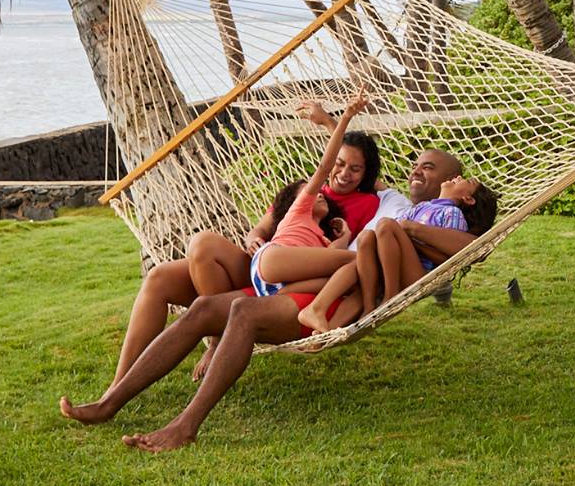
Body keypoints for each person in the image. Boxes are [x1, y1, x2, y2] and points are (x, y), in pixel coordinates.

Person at [57, 138, 483, 453]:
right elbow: (336, 168)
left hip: (338, 287)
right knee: (205, 306)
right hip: (303, 270)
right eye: (416, 164)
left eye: (428, 168)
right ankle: (109, 403)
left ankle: (185, 426)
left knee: (243, 311)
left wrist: (406, 228)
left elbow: (468, 243)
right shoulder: (401, 204)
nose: (416, 170)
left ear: (453, 183)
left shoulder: (407, 208)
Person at [100, 113, 385, 384]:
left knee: (340, 260)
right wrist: (252, 239)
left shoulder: (366, 202)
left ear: (365, 174)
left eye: (355, 169)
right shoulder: (303, 191)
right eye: (339, 164)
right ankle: (120, 381)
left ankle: (215, 335)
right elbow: (262, 228)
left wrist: (331, 122)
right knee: (168, 270)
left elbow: (343, 245)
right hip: (265, 263)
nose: (344, 173)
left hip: (298, 276)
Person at [295, 176, 498, 334]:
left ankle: (390, 297)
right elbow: (395, 233)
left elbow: (447, 260)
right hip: (389, 267)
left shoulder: (453, 214)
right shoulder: (422, 207)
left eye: (467, 181)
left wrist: (413, 242)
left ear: (468, 198)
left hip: (418, 274)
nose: (458, 178)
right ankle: (329, 329)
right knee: (366, 237)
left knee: (385, 224)